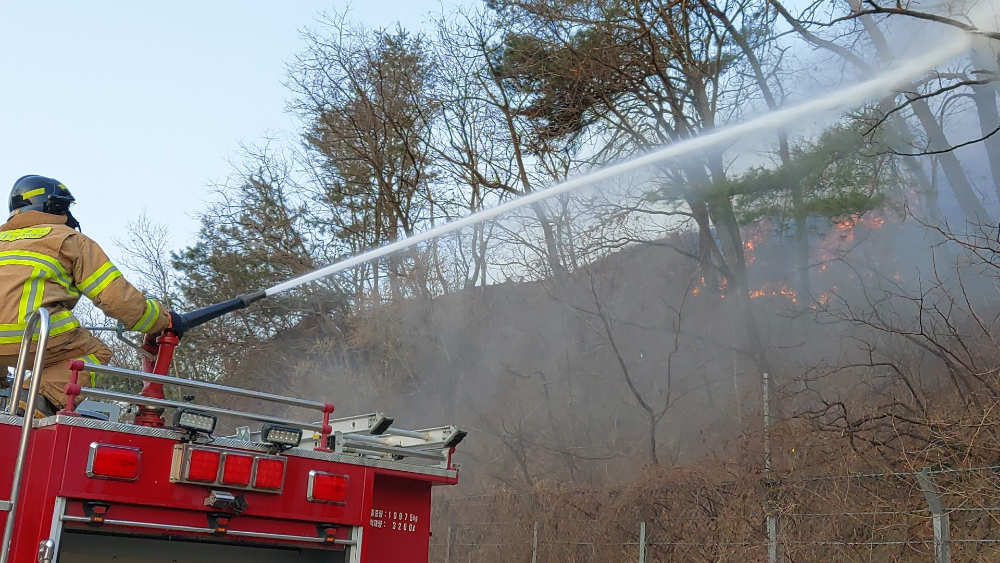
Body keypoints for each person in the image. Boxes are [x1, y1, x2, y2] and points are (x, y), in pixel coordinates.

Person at [0, 175, 180, 417]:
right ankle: (36, 397)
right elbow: (116, 298)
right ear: (55, 206)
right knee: (94, 352)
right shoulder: (69, 239)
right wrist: (160, 320)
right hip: (33, 336)